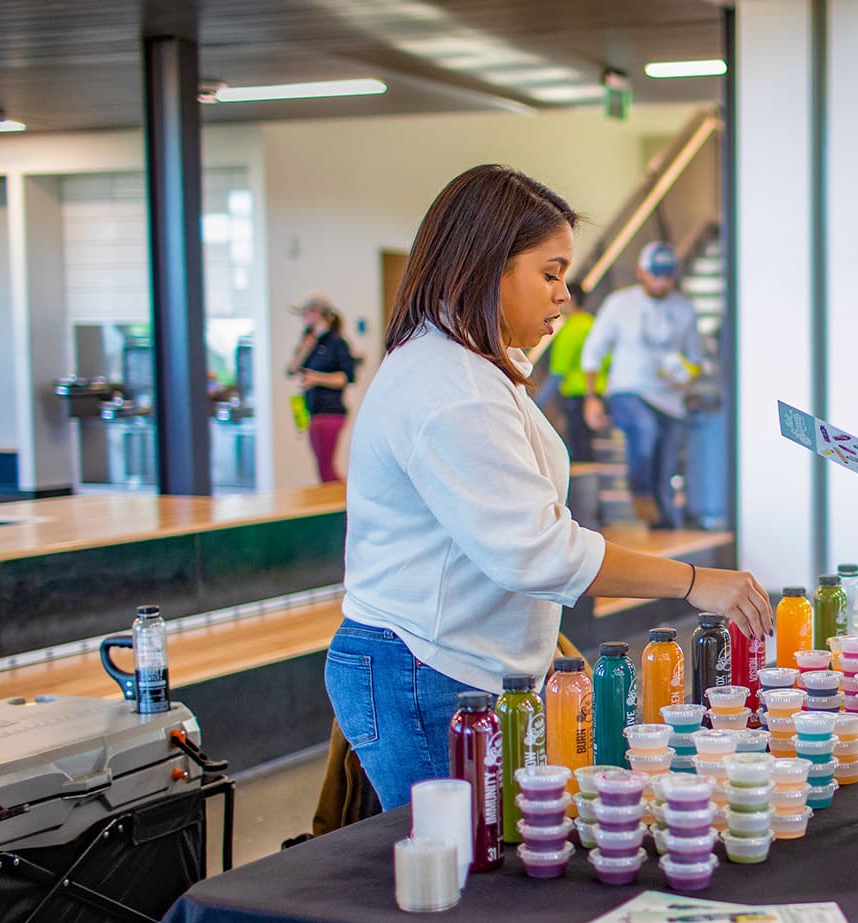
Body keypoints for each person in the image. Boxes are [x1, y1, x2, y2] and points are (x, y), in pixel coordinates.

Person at [327, 166, 769, 808]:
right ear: (487, 267)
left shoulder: (475, 370)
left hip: (465, 662)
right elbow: (535, 551)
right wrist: (697, 581)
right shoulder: (452, 388)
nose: (564, 296)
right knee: (467, 872)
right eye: (551, 272)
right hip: (426, 668)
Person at [580, 241, 706, 529]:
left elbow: (695, 359)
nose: (662, 281)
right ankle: (638, 491)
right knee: (644, 429)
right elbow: (594, 350)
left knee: (665, 470)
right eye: (656, 274)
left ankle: (662, 528)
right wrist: (591, 397)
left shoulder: (684, 309)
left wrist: (686, 374)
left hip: (670, 398)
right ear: (641, 271)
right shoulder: (619, 303)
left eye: (668, 275)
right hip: (627, 390)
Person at [289, 295, 358, 483]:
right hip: (313, 410)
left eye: (306, 313)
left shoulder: (337, 343)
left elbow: (347, 377)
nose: (304, 318)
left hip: (331, 412)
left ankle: (343, 505)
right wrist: (304, 348)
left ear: (318, 313)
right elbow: (291, 370)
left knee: (326, 470)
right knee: (323, 469)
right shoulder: (311, 343)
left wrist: (316, 378)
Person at [541, 286, 598, 462]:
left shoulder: (572, 329)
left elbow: (558, 371)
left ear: (571, 300)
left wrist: (536, 403)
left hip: (577, 395)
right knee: (588, 448)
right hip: (597, 395)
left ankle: (583, 488)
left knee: (579, 450)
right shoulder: (592, 324)